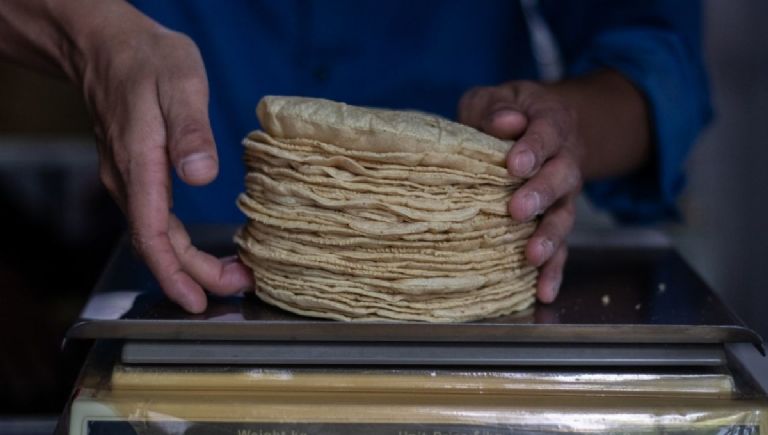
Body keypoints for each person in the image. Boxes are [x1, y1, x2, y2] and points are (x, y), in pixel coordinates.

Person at [0, 1, 710, 313]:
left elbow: (658, 59)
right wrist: (88, 30)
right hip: (179, 277)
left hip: (475, 271)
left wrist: (568, 127)